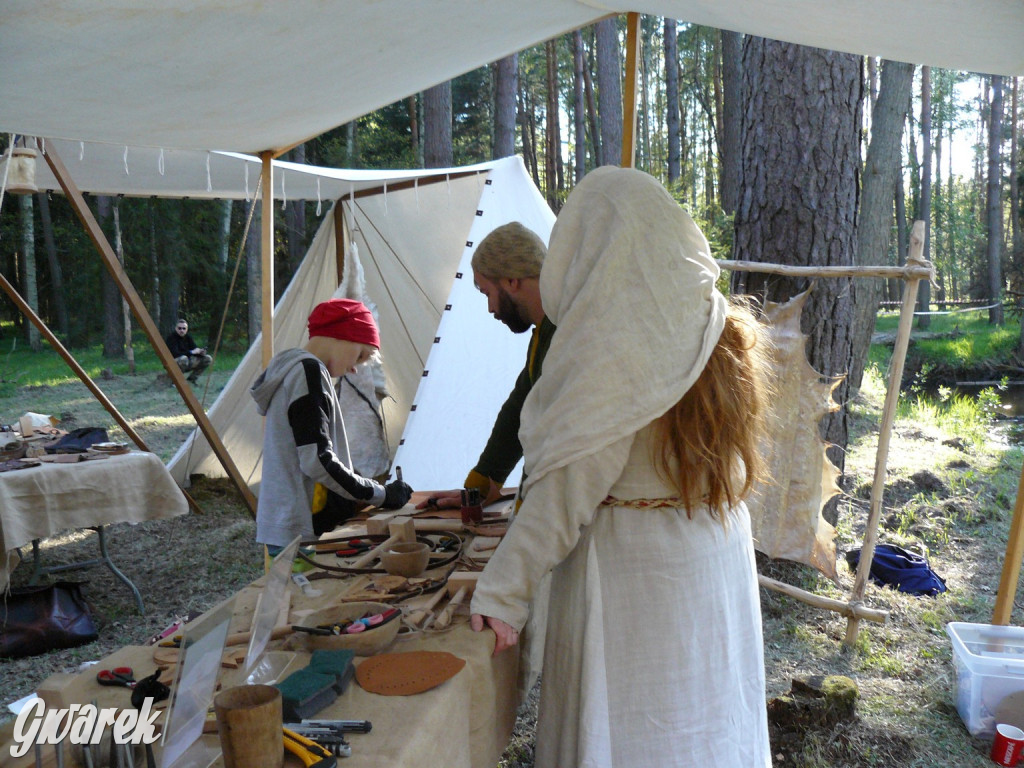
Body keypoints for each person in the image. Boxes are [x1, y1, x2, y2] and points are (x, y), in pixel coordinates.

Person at [469, 167, 773, 766]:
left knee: (640, 729)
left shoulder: (614, 342)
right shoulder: (710, 318)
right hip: (712, 553)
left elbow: (567, 487)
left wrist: (503, 592)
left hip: (639, 573)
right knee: (704, 718)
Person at [251, 298, 413, 549]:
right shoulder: (308, 372)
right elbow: (317, 460)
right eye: (360, 356)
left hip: (286, 523)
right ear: (343, 334)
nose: (354, 369)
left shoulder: (291, 370)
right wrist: (380, 494)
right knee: (304, 588)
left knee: (293, 589)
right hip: (300, 529)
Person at [419, 221, 554, 509]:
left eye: (486, 293)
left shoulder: (565, 328)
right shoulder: (545, 332)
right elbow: (520, 407)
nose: (491, 309)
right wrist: (481, 486)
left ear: (511, 281)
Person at [165, 319, 213, 383]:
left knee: (208, 358)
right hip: (174, 363)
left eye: (184, 328)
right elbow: (175, 354)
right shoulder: (171, 338)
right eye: (179, 328)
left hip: (187, 361)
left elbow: (194, 349)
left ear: (186, 329)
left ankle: (192, 380)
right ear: (176, 328)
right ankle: (176, 382)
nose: (181, 330)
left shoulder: (188, 337)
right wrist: (191, 352)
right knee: (183, 358)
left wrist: (200, 352)